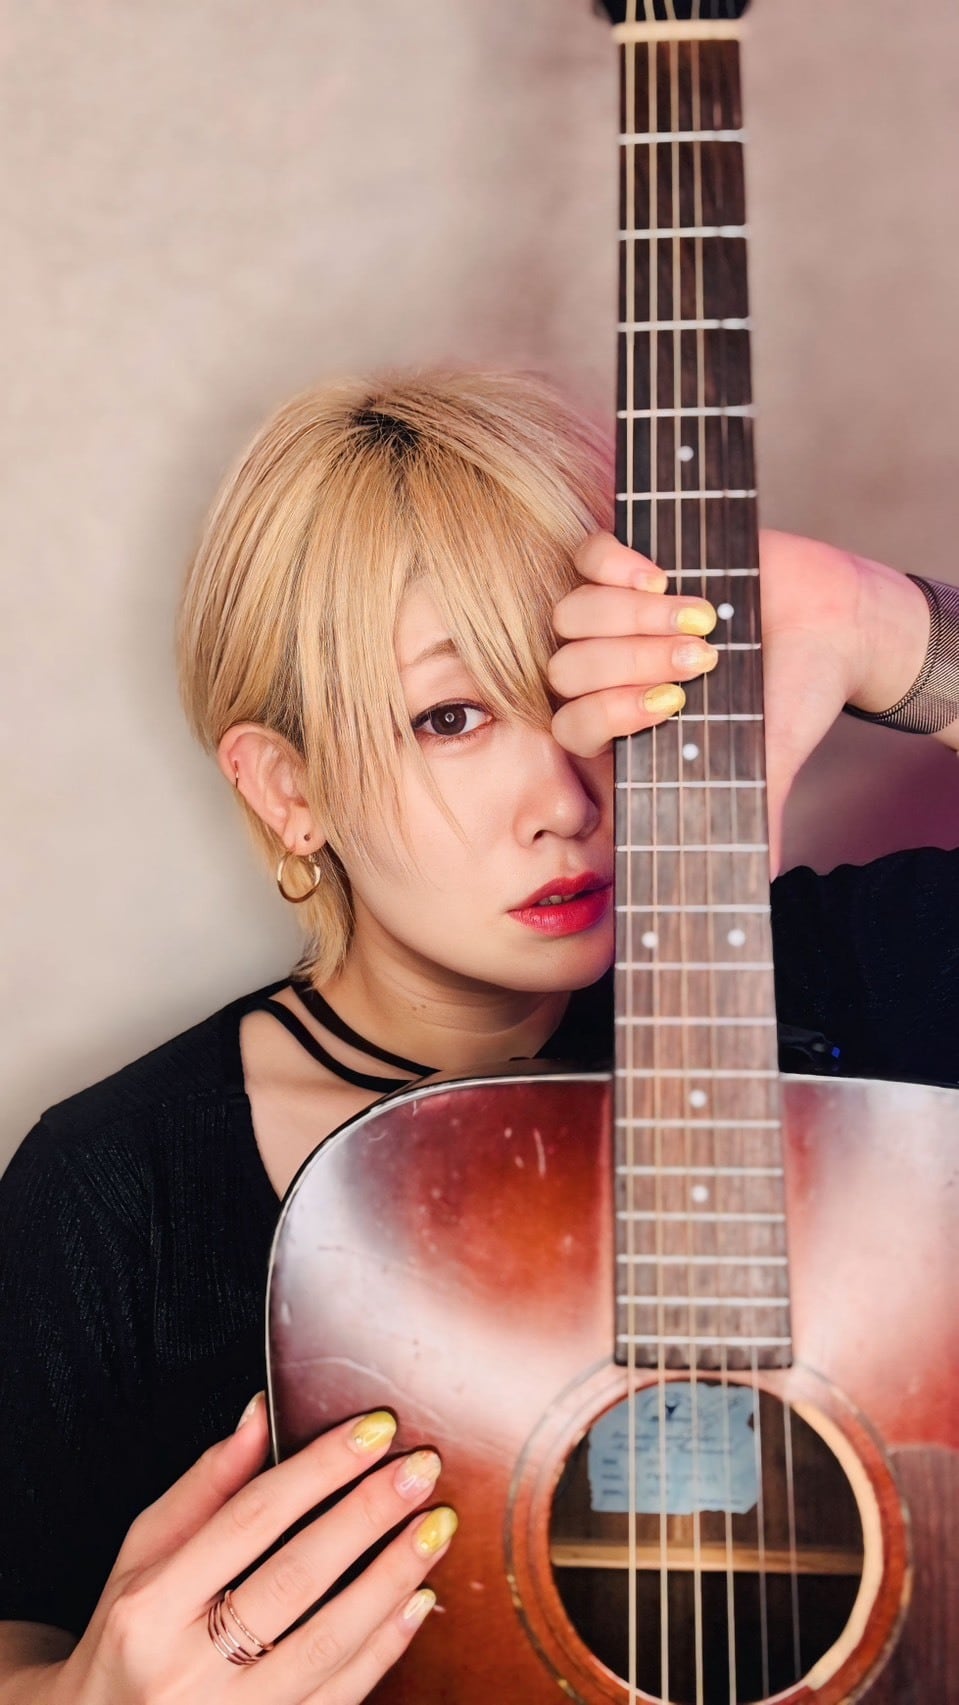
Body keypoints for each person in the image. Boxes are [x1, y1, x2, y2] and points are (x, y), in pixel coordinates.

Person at [0, 370, 956, 1704]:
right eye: (450, 716)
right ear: (289, 788)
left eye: (583, 690)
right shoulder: (117, 1189)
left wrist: (882, 629)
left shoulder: (852, 982)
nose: (566, 798)